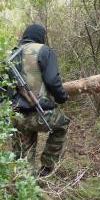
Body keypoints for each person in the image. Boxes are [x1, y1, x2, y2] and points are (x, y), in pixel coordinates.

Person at [7, 24, 69, 177]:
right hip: (40, 115)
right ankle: (47, 166)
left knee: (23, 156)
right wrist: (62, 98)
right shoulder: (44, 50)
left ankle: (24, 187)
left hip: (16, 117)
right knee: (62, 124)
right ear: (41, 36)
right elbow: (53, 80)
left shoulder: (11, 54)